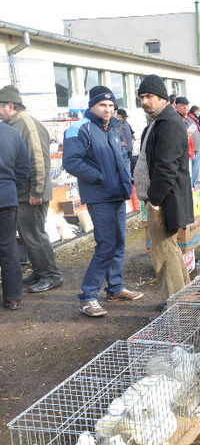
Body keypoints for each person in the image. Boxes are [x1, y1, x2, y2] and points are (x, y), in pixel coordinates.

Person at [63, 85, 143, 317]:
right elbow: (72, 162)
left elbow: (121, 157)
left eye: (110, 105)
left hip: (117, 192)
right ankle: (87, 297)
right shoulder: (79, 128)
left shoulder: (114, 127)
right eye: (102, 105)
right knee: (106, 244)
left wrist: (126, 183)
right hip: (99, 194)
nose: (107, 109)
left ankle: (115, 287)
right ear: (92, 106)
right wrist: (100, 177)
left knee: (118, 242)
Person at [134, 76, 193, 299]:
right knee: (171, 250)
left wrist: (155, 200)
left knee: (164, 255)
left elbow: (166, 168)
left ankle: (176, 307)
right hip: (166, 197)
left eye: (149, 97)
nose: (144, 102)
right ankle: (185, 298)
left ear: (162, 98)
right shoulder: (161, 121)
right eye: (141, 97)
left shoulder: (168, 124)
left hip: (165, 199)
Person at [0, 85, 63, 293]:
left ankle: (51, 276)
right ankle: (39, 270)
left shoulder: (26, 124)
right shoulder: (16, 124)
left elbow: (38, 160)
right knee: (28, 234)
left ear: (10, 106)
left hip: (32, 193)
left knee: (35, 234)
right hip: (25, 192)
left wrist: (36, 191)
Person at [0, 122, 30, 310]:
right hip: (7, 197)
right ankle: (13, 298)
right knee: (8, 246)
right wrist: (10, 188)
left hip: (7, 194)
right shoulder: (11, 132)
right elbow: (24, 169)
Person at [175, 97, 200, 189]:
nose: (185, 107)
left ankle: (193, 189)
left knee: (196, 174)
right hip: (187, 151)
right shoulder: (176, 119)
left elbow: (199, 130)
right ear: (177, 106)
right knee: (188, 174)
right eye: (182, 105)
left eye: (186, 105)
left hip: (197, 150)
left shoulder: (192, 117)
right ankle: (187, 192)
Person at [115, 108, 136, 174]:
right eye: (122, 117)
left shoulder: (127, 123)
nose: (123, 119)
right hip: (121, 150)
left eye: (124, 117)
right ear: (117, 116)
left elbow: (132, 132)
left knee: (131, 163)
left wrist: (133, 138)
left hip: (129, 148)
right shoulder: (115, 125)